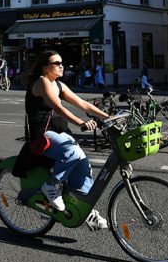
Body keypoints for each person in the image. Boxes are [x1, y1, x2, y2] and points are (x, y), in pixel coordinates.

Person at [25, 50, 109, 230]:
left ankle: (86, 209)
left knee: (83, 165)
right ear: (45, 67)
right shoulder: (42, 82)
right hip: (43, 134)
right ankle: (52, 185)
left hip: (59, 132)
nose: (61, 65)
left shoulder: (59, 85)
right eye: (56, 63)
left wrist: (109, 117)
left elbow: (84, 104)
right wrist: (81, 123)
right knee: (73, 151)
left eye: (61, 62)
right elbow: (58, 108)